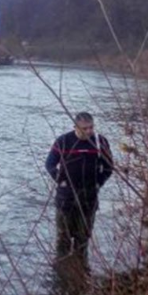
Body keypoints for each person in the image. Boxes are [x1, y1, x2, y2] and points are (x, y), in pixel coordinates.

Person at [45, 112, 113, 262]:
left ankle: (81, 270)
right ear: (75, 127)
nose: (89, 131)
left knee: (83, 238)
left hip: (89, 196)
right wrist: (60, 180)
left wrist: (98, 183)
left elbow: (108, 167)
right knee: (63, 237)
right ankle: (61, 272)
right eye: (85, 128)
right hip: (66, 196)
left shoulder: (100, 142)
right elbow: (49, 164)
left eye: (91, 127)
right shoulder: (63, 141)